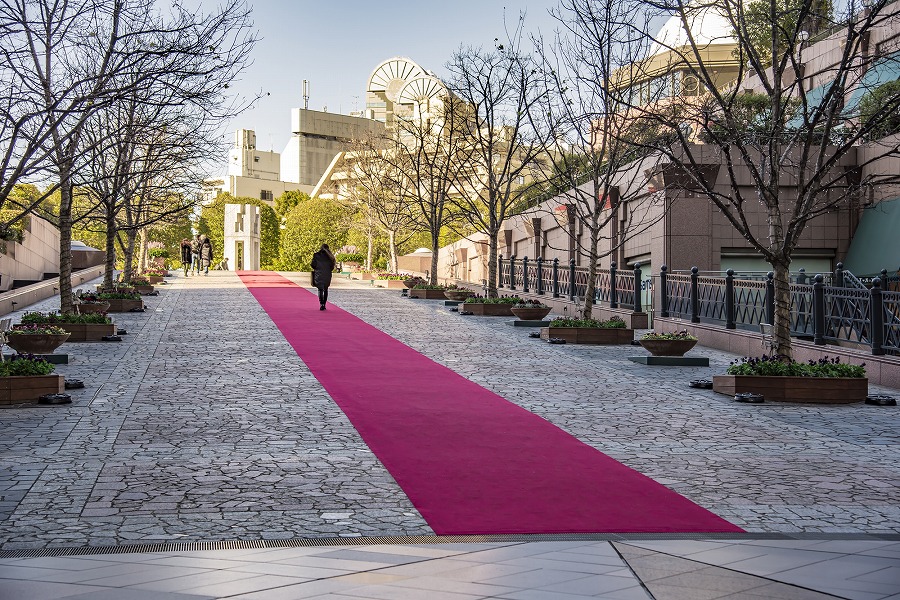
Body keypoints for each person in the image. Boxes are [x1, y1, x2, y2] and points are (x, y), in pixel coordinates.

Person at [310, 243, 336, 310]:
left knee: (320, 289)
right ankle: (324, 303)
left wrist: (317, 268)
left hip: (318, 273)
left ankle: (321, 303)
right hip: (327, 274)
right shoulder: (330, 256)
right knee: (326, 289)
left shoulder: (316, 255)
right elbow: (332, 266)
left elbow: (313, 264)